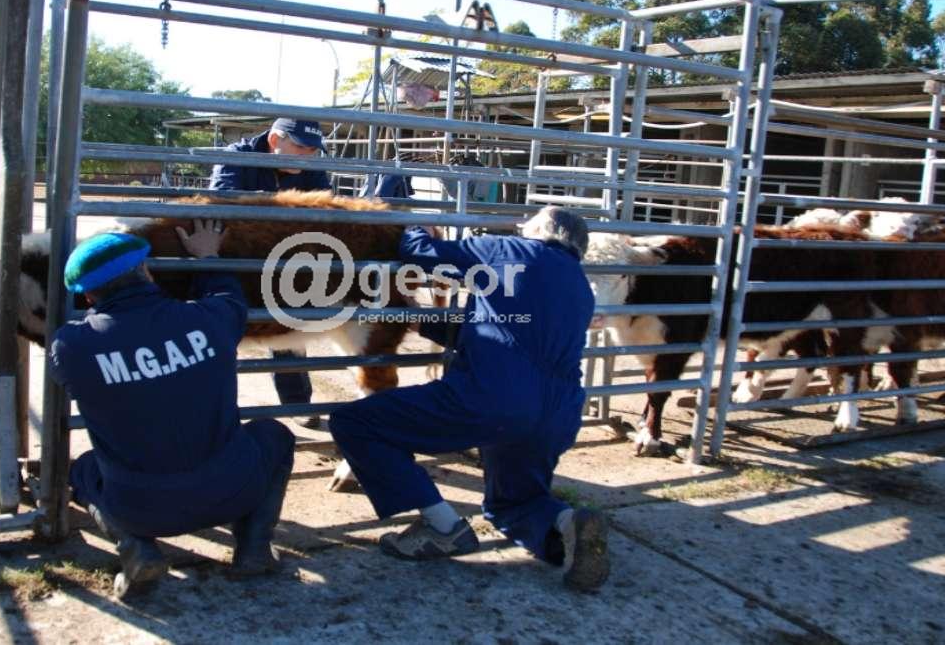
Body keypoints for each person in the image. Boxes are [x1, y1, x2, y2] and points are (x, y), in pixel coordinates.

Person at [327, 206, 611, 592]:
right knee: (514, 504)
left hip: (492, 398)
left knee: (355, 423)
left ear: (541, 229)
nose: (519, 227)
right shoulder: (578, 286)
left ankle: (442, 526)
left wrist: (415, 224)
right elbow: (504, 330)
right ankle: (566, 525)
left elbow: (421, 253)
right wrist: (421, 321)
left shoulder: (507, 250)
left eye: (526, 224)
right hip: (558, 415)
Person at [49, 221, 296, 597]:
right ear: (147, 272)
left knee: (84, 469)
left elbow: (73, 378)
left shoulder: (71, 347)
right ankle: (254, 549)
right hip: (234, 491)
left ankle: (137, 548)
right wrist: (208, 256)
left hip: (140, 510)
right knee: (275, 434)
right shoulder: (208, 318)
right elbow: (228, 296)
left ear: (86, 298)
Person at [210, 118, 331, 426]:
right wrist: (290, 216)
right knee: (224, 332)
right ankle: (218, 412)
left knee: (288, 329)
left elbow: (326, 212)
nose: (307, 156)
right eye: (301, 147)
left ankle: (296, 405)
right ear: (276, 140)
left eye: (313, 150)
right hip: (235, 261)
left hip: (284, 262)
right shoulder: (236, 157)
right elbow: (223, 208)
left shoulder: (310, 167)